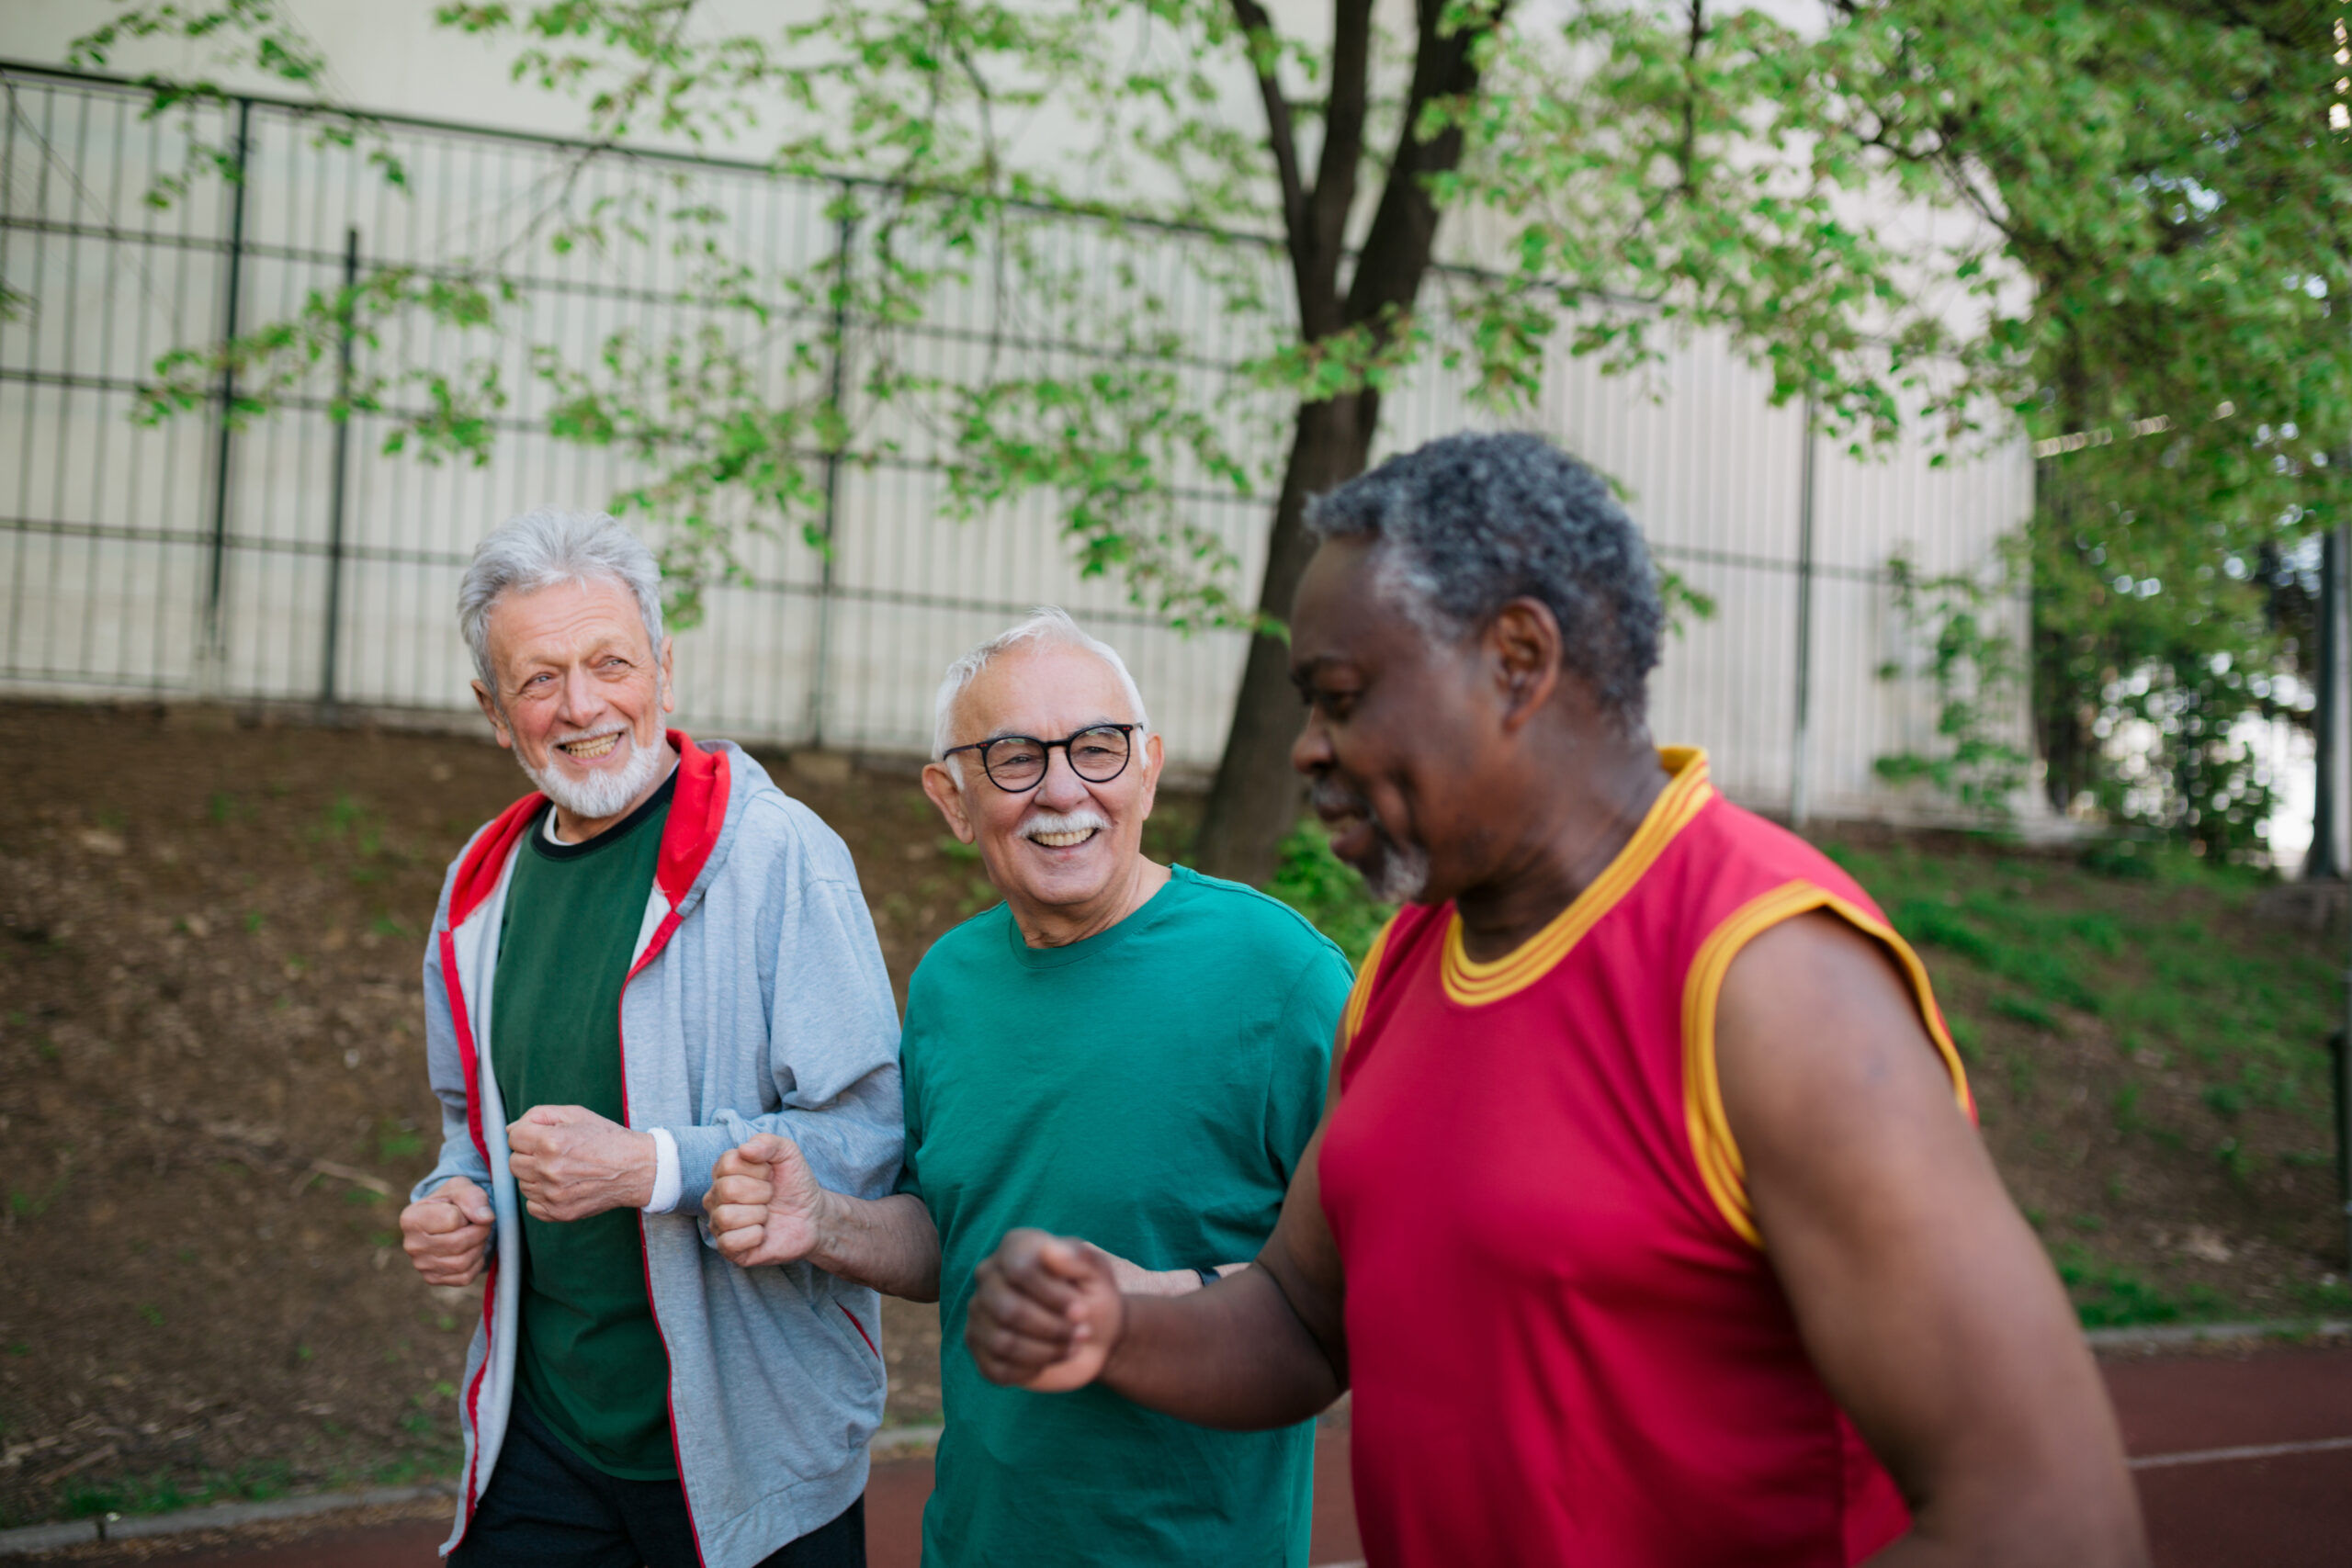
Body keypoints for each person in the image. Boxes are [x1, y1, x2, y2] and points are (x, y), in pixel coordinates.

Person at [965, 434, 2150, 1567]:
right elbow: (1300, 1313)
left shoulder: (1770, 978)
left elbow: (2044, 1526)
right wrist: (1113, 1324)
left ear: (1517, 662)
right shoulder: (1409, 957)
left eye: (1340, 698)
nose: (1306, 750)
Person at [703, 608, 1351, 1566]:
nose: (1062, 789)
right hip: (977, 1539)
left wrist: (1157, 1300)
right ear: (952, 797)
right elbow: (954, 1233)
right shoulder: (949, 984)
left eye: (1097, 748)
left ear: (1148, 765)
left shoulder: (1281, 978)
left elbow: (1377, 1277)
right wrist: (823, 1223)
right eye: (1013, 757)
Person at [397, 509, 902, 1568]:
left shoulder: (779, 857)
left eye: (610, 662)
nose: (582, 706)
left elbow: (866, 1136)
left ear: (664, 670)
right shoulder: (479, 888)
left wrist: (653, 1167)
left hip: (750, 1447)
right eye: (539, 681)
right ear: (495, 712)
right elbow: (468, 1124)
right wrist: (457, 1200)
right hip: (544, 1434)